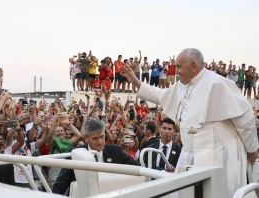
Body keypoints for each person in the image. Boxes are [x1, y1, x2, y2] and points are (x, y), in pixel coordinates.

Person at [121, 48, 259, 197]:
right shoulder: (182, 85)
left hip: (220, 153)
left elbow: (245, 118)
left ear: (193, 66)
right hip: (191, 153)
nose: (176, 70)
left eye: (179, 66)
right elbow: (161, 95)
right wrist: (137, 84)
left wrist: (251, 149)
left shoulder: (218, 83)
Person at [52, 119, 140, 195]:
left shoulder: (116, 151)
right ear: (86, 139)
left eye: (102, 137)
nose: (100, 141)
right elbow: (61, 184)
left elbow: (137, 168)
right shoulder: (74, 153)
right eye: (95, 138)